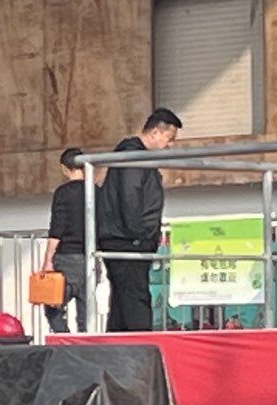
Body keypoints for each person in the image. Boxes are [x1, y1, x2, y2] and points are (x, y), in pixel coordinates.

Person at [95, 108, 182, 332]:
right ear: (155, 133)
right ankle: (141, 343)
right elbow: (130, 197)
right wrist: (139, 235)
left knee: (123, 300)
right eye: (169, 138)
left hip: (123, 238)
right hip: (128, 240)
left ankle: (119, 342)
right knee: (135, 298)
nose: (170, 145)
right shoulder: (133, 157)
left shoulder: (133, 157)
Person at [39, 147, 93, 333]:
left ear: (64, 168)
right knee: (86, 314)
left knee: (52, 305)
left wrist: (48, 260)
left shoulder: (63, 193)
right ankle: (84, 344)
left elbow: (57, 228)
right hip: (91, 257)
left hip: (67, 258)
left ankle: (64, 339)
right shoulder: (97, 191)